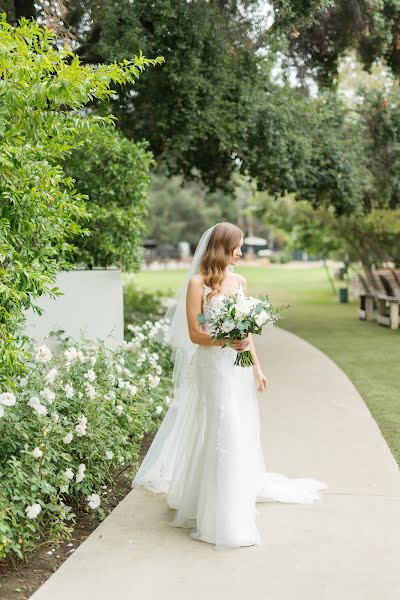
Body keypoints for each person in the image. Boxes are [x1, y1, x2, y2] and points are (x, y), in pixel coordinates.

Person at [132, 222, 327, 550]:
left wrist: (257, 370)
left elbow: (246, 334)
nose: (241, 252)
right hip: (212, 369)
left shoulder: (240, 281)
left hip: (236, 370)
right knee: (224, 428)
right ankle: (222, 514)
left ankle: (232, 494)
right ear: (222, 247)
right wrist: (226, 340)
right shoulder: (198, 284)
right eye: (236, 247)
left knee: (241, 428)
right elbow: (195, 334)